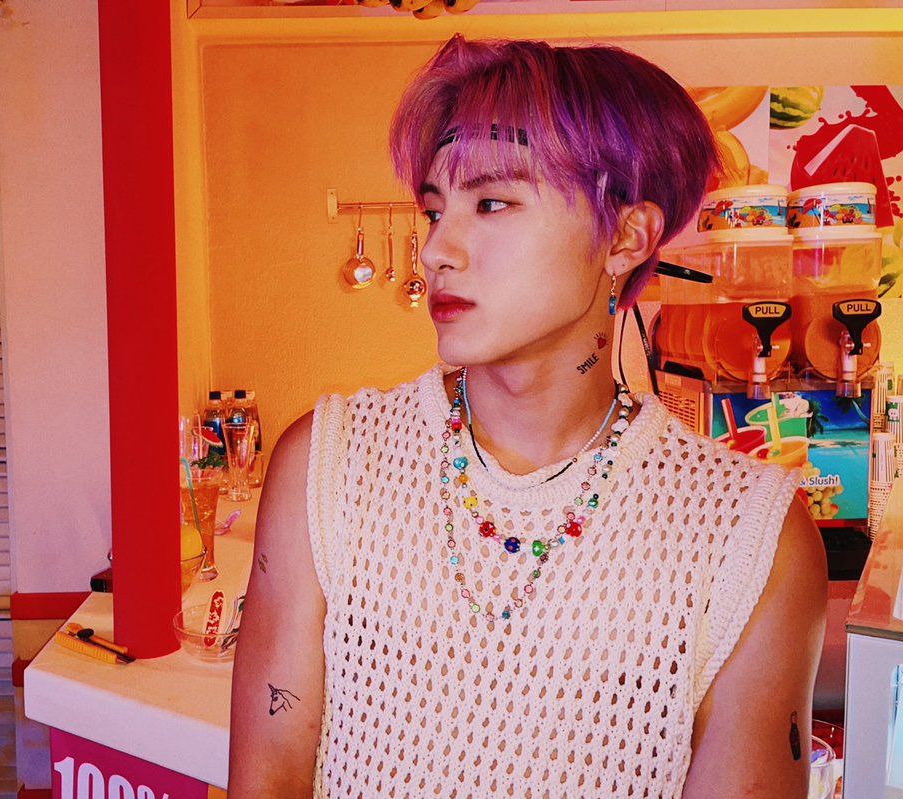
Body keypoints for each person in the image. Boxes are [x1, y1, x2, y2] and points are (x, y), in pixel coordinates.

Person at [228, 36, 826, 798]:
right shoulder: (328, 468)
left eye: (492, 203)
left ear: (626, 237)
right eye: (435, 209)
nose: (436, 250)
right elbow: (269, 774)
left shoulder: (749, 539)